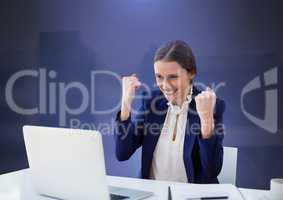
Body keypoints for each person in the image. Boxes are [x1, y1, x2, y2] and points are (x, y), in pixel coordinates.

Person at [114, 40, 225, 184]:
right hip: (153, 195)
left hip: (192, 196)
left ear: (191, 73)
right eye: (159, 77)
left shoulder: (210, 105)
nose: (165, 85)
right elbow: (122, 153)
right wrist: (126, 102)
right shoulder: (151, 102)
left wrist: (206, 119)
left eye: (173, 77)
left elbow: (211, 170)